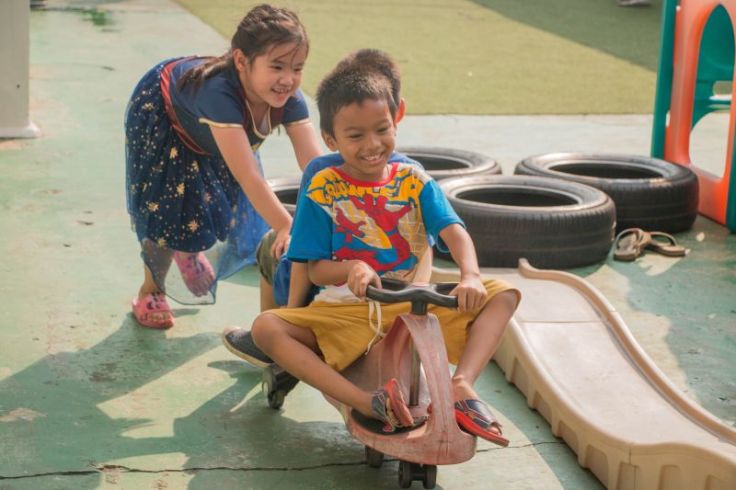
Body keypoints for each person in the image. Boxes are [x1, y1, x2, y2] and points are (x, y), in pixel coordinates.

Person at [248, 56, 521, 444]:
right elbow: (314, 270)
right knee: (267, 327)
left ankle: (461, 385)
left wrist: (470, 275)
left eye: (381, 130)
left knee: (504, 295)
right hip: (351, 309)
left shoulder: (413, 179)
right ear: (331, 140)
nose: (373, 145)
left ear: (396, 121)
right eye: (355, 136)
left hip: (413, 303)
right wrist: (351, 267)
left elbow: (453, 230)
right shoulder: (325, 186)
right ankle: (364, 400)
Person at [221, 49, 429, 367]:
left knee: (271, 246)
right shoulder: (415, 173)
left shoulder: (321, 172)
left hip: (332, 292)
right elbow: (426, 243)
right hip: (392, 291)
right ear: (398, 111)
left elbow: (306, 258)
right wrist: (417, 295)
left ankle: (272, 343)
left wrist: (293, 316)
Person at [125, 4, 322, 329]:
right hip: (165, 116)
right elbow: (248, 175)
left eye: (297, 68)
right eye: (277, 66)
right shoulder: (218, 94)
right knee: (166, 211)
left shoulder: (290, 98)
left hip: (217, 132)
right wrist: (287, 225)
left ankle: (187, 251)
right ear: (242, 61)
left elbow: (314, 165)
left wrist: (344, 200)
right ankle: (151, 290)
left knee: (218, 207)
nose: (288, 79)